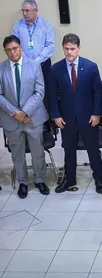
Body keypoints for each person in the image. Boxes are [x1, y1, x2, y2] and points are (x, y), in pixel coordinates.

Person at [48, 34, 102, 194]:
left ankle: (99, 178)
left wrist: (96, 114)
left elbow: (98, 93)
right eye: (66, 49)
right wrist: (56, 116)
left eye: (72, 49)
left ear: (78, 48)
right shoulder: (56, 69)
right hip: (66, 118)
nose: (69, 52)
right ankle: (69, 178)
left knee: (92, 149)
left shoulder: (90, 67)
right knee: (69, 149)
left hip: (88, 117)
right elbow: (52, 95)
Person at [0, 35, 50, 198]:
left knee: (37, 152)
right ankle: (22, 182)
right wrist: (16, 114)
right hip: (11, 119)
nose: (12, 52)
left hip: (33, 118)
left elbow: (39, 91)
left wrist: (25, 112)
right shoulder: (1, 68)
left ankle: (39, 179)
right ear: (5, 51)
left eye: (15, 48)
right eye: (8, 50)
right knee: (17, 154)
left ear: (21, 47)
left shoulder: (34, 65)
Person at [12, 0, 55, 110]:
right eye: (23, 11)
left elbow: (50, 46)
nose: (24, 14)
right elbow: (15, 45)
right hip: (25, 65)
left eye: (27, 11)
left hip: (43, 64)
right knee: (28, 92)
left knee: (46, 91)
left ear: (36, 11)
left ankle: (48, 121)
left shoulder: (46, 24)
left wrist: (36, 61)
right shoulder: (18, 25)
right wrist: (27, 61)